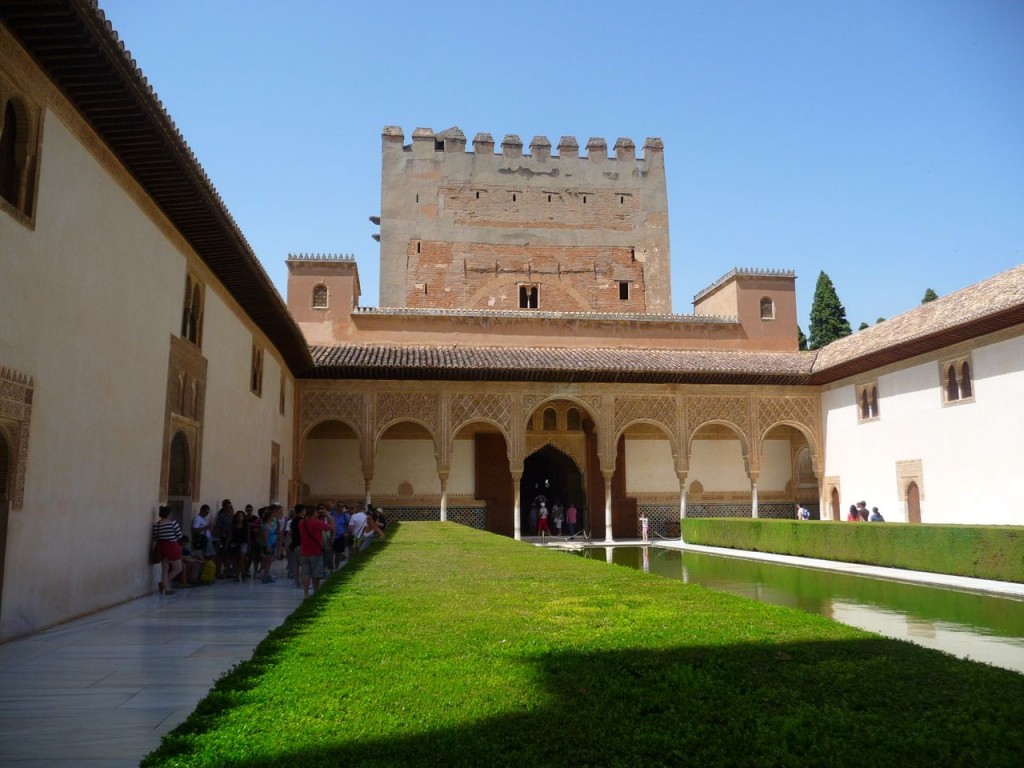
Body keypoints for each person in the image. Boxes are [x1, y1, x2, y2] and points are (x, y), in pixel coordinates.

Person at [297, 504, 331, 598]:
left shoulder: (301, 523)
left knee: (305, 573)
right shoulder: (317, 523)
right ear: (314, 513)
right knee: (316, 574)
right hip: (316, 551)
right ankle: (315, 592)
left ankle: (305, 593)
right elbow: (330, 526)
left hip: (304, 551)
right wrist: (327, 515)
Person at [152, 505, 183, 595]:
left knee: (165, 569)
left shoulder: (156, 525)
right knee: (178, 568)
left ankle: (166, 588)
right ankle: (163, 584)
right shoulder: (173, 523)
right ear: (169, 514)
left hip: (162, 546)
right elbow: (179, 535)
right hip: (172, 546)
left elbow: (155, 537)